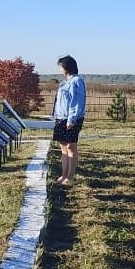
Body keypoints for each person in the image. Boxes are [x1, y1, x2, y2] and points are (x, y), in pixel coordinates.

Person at [53, 55, 86, 186]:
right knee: (63, 147)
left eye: (61, 66)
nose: (60, 69)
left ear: (66, 67)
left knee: (70, 146)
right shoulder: (64, 82)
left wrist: (71, 119)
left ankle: (70, 176)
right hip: (60, 117)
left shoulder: (76, 81)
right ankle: (64, 174)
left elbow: (76, 102)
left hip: (70, 118)